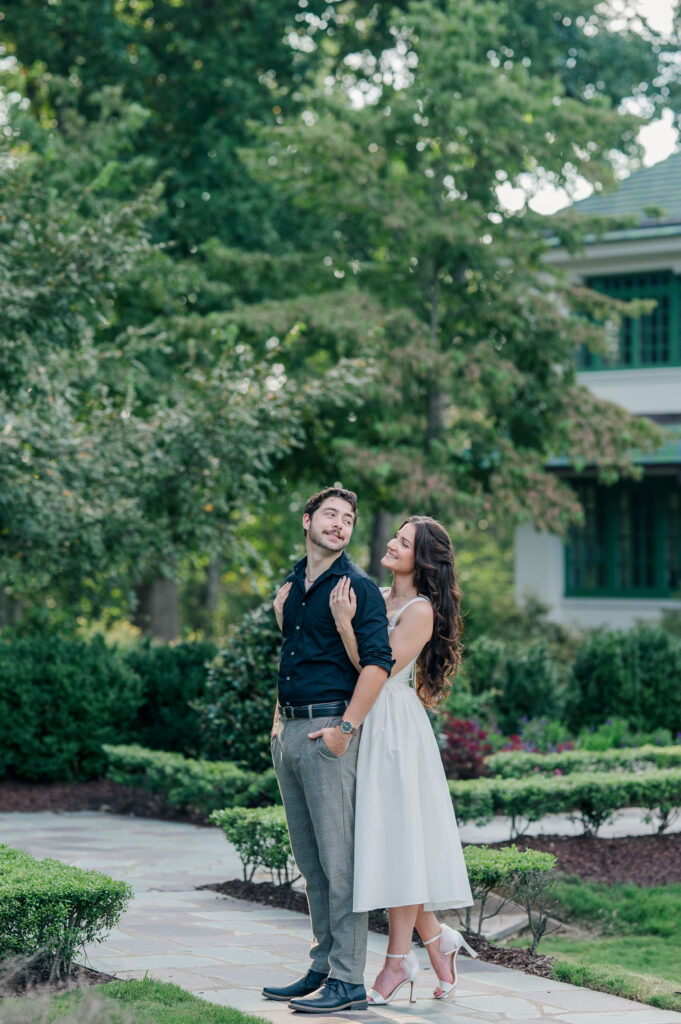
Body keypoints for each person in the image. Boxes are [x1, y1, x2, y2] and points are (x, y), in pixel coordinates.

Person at [328, 515, 477, 1004]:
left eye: (404, 541)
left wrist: (346, 626)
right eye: (395, 536)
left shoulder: (418, 610)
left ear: (423, 557)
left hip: (393, 727)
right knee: (389, 839)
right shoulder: (377, 595)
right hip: (368, 719)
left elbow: (379, 667)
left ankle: (397, 961)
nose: (392, 543)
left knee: (399, 838)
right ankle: (437, 941)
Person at [261, 486, 393, 1014]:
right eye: (330, 515)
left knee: (340, 865)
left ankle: (349, 981)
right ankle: (322, 964)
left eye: (348, 519)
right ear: (307, 520)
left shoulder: (357, 586)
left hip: (328, 735)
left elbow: (378, 664)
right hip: (289, 735)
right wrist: (276, 721)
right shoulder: (293, 585)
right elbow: (292, 656)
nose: (339, 525)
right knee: (311, 863)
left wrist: (344, 730)